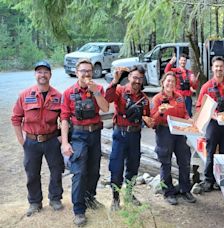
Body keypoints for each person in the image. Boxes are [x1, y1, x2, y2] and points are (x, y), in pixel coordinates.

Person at [11, 60, 64, 217]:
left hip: (52, 140)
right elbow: (15, 119)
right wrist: (22, 141)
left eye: (45, 72)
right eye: (39, 72)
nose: (43, 75)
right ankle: (35, 202)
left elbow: (66, 119)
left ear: (50, 75)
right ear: (35, 75)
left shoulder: (58, 96)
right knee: (32, 173)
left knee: (56, 171)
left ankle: (55, 199)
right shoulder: (25, 95)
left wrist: (61, 139)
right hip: (32, 141)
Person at [60, 59, 109, 226]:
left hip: (95, 134)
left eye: (89, 71)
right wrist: (65, 142)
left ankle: (89, 198)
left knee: (94, 170)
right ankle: (79, 210)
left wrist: (95, 92)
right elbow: (65, 119)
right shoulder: (68, 93)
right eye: (83, 71)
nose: (86, 74)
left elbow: (105, 108)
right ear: (76, 72)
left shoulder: (98, 88)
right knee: (79, 172)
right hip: (78, 136)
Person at [105, 65, 150, 211]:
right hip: (120, 134)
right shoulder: (120, 90)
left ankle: (129, 194)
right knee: (116, 167)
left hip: (135, 135)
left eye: (140, 78)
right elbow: (108, 98)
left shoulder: (144, 99)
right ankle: (115, 199)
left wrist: (149, 120)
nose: (137, 81)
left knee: (133, 166)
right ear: (129, 77)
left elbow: (147, 117)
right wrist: (115, 81)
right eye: (135, 77)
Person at [195, 56, 224, 192]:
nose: (219, 69)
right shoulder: (206, 87)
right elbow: (199, 107)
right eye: (216, 66)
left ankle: (222, 179)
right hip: (213, 124)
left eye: (221, 66)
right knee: (210, 151)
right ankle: (208, 180)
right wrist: (211, 114)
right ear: (212, 68)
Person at [150, 71, 197, 205]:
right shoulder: (157, 99)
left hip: (179, 132)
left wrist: (189, 121)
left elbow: (185, 114)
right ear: (163, 83)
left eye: (173, 81)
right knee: (166, 163)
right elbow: (152, 121)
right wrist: (160, 112)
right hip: (164, 132)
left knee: (184, 161)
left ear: (176, 85)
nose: (170, 83)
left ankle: (185, 189)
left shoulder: (180, 97)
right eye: (168, 81)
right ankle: (168, 192)